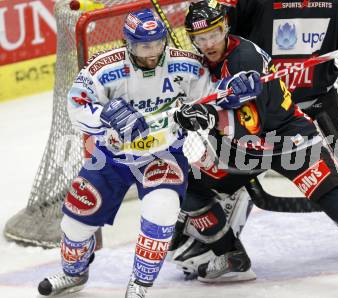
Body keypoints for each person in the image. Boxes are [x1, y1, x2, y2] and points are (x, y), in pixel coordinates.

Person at [169, 0, 338, 281]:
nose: (209, 43)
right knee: (189, 189)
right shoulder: (212, 51)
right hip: (242, 145)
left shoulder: (246, 59)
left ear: (225, 29)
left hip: (286, 135)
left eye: (214, 34)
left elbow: (250, 124)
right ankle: (228, 253)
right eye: (202, 38)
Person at [36, 8, 253, 297]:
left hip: (162, 156)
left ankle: (140, 284)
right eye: (142, 46)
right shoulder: (104, 67)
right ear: (128, 43)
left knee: (161, 213)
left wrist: (232, 91)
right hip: (111, 158)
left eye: (156, 44)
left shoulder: (186, 65)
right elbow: (76, 101)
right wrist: (105, 115)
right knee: (75, 221)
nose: (152, 53)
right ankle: (73, 274)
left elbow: (212, 96)